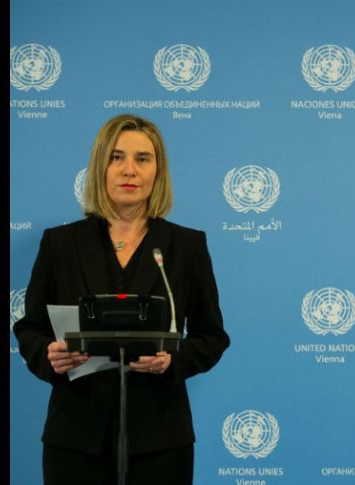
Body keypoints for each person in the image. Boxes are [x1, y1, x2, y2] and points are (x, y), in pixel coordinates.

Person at [13, 113, 230, 485]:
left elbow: (212, 337)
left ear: (158, 171)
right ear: (100, 167)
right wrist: (49, 354)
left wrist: (173, 360)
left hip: (161, 440)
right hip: (76, 438)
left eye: (142, 158)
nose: (129, 170)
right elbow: (29, 329)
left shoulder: (186, 246)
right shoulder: (60, 244)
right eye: (117, 157)